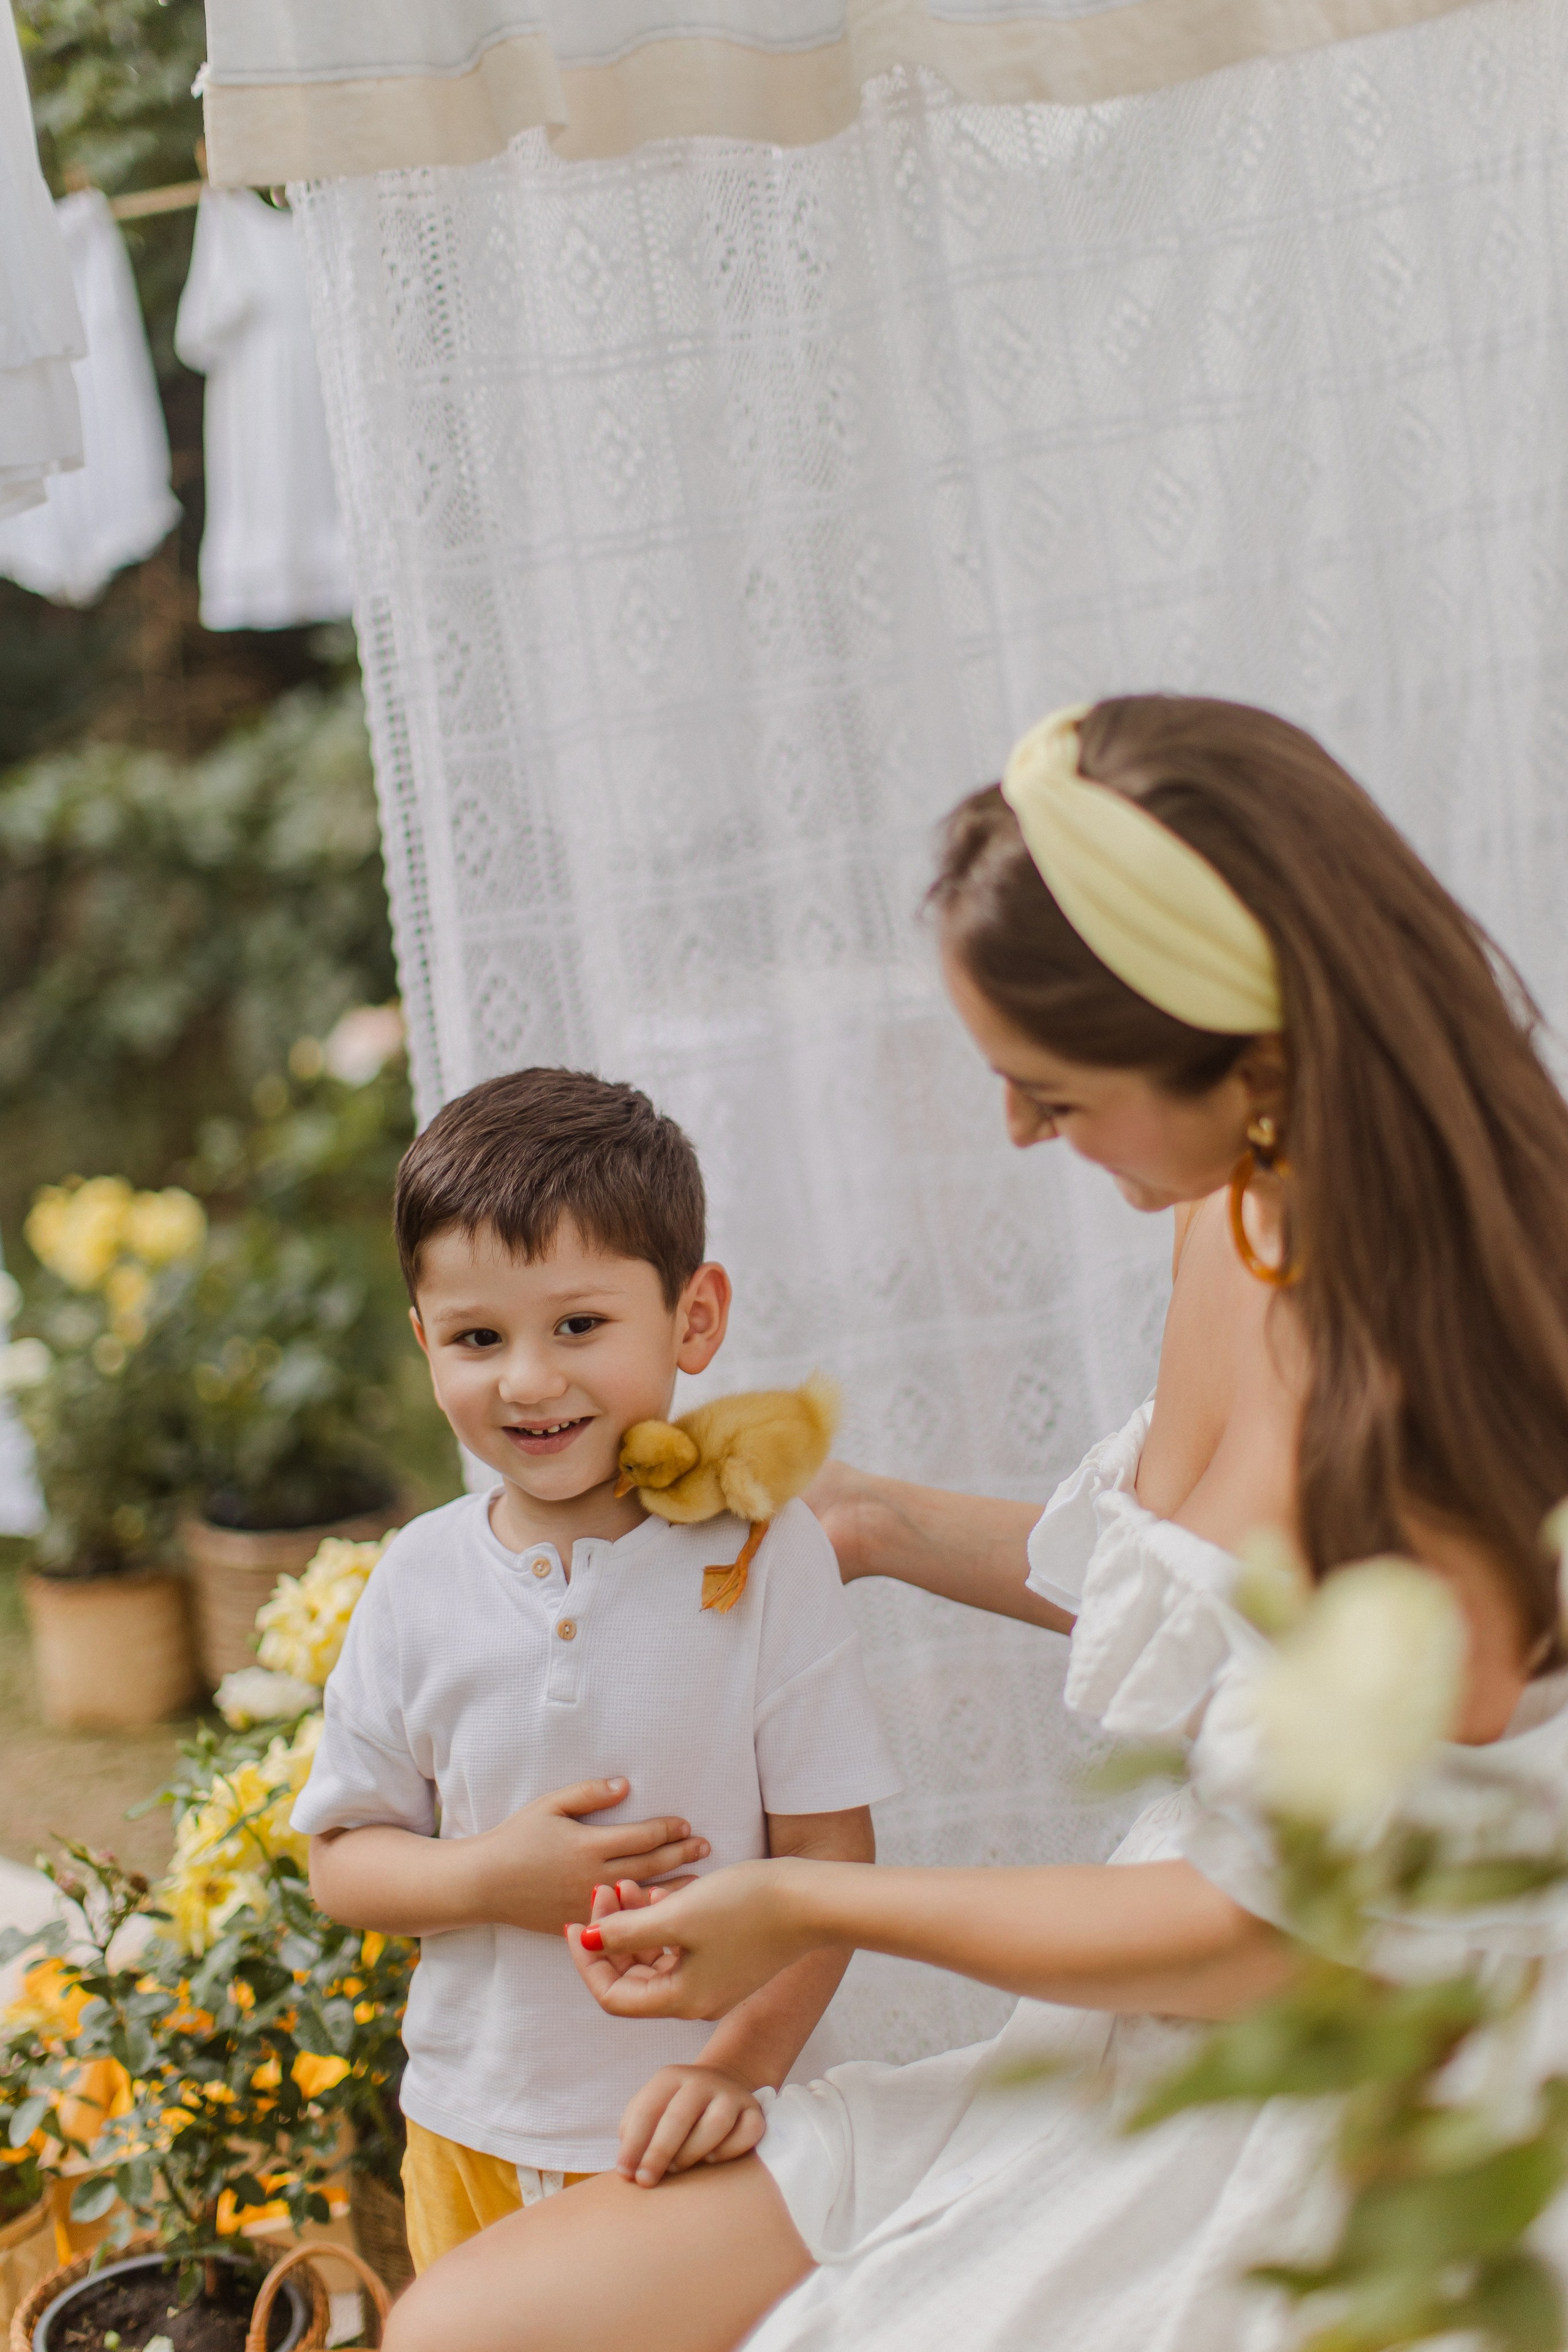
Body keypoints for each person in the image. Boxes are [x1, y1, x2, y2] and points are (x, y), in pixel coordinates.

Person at [380, 696, 1568, 2352]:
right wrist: (867, 1520)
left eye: (1053, 1093)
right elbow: (1220, 1621)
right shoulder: (1239, 1204)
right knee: (467, 2322)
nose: (1016, 1130)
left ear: (1253, 1059)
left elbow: (1261, 1933)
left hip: (1351, 2081)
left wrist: (811, 1908)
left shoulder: (1430, 1377)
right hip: (1138, 2027)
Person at [294, 1068, 900, 2272]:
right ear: (424, 1343)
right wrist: (492, 1879)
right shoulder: (417, 1579)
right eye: (477, 1338)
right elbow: (343, 1862)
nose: (527, 1379)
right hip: (467, 2130)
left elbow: (833, 1866)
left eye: (578, 1325)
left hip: (707, 2136)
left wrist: (734, 2071)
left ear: (693, 1318)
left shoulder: (761, 1556)